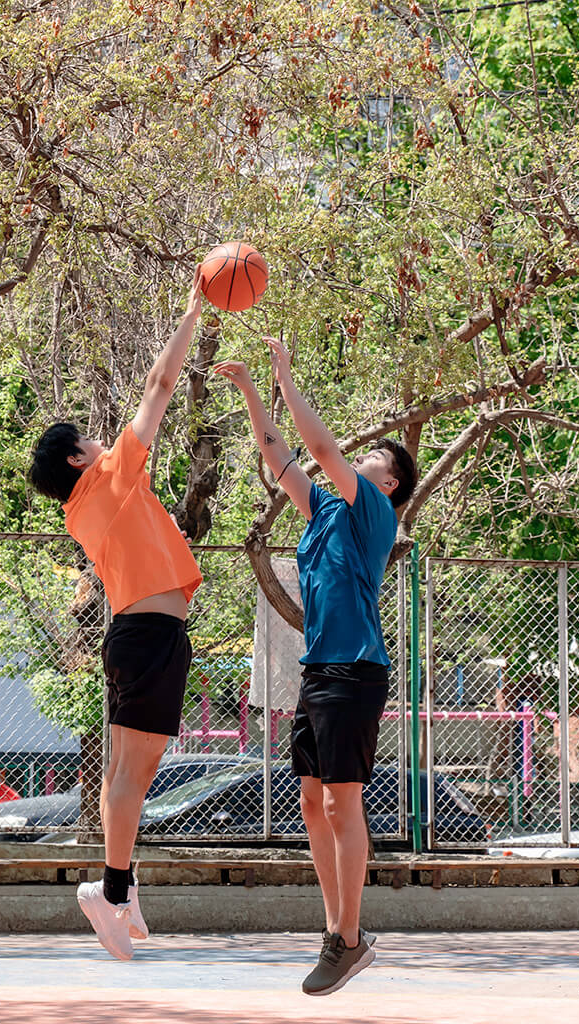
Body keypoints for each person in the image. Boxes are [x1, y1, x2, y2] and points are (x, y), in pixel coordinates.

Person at [214, 337, 416, 996]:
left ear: (389, 484)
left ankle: (349, 937)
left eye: (376, 459)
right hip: (319, 671)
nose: (364, 457)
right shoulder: (326, 511)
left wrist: (285, 375)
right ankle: (337, 932)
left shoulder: (374, 512)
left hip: (355, 671)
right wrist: (250, 390)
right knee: (310, 802)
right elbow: (283, 459)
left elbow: (323, 452)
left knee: (339, 801)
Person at [27, 284, 206, 961]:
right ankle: (109, 891)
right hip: (147, 636)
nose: (103, 439)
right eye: (89, 439)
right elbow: (160, 386)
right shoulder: (109, 480)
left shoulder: (85, 508)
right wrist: (191, 310)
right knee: (131, 774)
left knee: (131, 772)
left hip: (149, 636)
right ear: (79, 458)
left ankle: (120, 886)